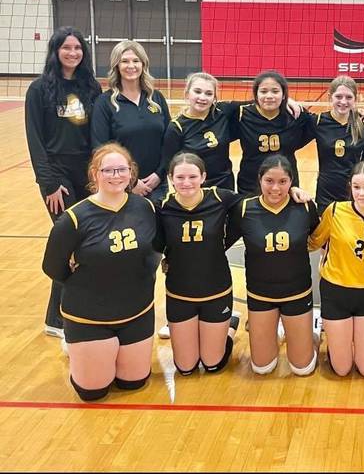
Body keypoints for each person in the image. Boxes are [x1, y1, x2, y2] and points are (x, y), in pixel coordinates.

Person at [42, 143, 159, 401]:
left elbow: (156, 251)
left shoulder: (145, 208)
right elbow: (52, 267)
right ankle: (75, 346)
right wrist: (87, 282)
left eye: (122, 169)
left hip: (136, 312)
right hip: (90, 318)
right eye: (108, 170)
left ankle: (104, 355)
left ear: (132, 173)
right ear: (95, 174)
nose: (116, 176)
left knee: (134, 383)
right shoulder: (74, 218)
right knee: (93, 392)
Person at [25, 26, 102, 338]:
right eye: (67, 48)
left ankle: (82, 308)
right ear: (55, 51)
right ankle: (55, 319)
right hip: (58, 179)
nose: (73, 53)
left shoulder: (90, 87)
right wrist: (49, 183)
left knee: (91, 244)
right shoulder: (39, 89)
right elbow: (35, 140)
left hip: (87, 176)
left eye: (78, 48)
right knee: (68, 242)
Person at [228, 155, 320, 376]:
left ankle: (313, 331)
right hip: (261, 296)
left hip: (297, 293)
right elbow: (219, 243)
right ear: (260, 180)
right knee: (262, 368)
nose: (276, 188)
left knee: (302, 368)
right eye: (269, 181)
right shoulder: (244, 209)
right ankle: (275, 331)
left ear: (291, 182)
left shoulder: (305, 207)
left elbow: (319, 239)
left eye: (283, 181)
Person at [155, 153, 241, 376]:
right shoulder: (161, 207)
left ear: (203, 176)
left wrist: (292, 191)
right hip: (179, 294)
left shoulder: (222, 198)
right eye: (180, 177)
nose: (186, 183)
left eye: (192, 176)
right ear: (170, 178)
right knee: (185, 368)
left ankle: (230, 327)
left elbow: (258, 202)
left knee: (213, 364)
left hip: (216, 290)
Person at [308, 161, 364, 377]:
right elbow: (313, 243)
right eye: (356, 187)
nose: (362, 193)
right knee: (342, 369)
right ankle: (316, 330)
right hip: (335, 292)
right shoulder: (335, 211)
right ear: (350, 187)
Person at [90, 40, 171, 201]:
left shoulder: (156, 98)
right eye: (125, 61)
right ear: (116, 66)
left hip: (156, 185)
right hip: (120, 185)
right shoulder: (104, 102)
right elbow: (100, 148)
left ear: (143, 64)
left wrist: (159, 174)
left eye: (136, 61)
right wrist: (131, 183)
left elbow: (169, 141)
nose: (131, 66)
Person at [231, 71, 314, 195]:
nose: (269, 96)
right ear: (256, 94)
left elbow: (321, 126)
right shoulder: (241, 113)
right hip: (250, 184)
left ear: (284, 94)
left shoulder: (296, 114)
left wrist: (286, 101)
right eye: (263, 91)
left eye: (275, 91)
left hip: (286, 185)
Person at [158, 73, 235, 190]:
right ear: (187, 94)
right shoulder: (177, 127)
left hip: (224, 187)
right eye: (197, 92)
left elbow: (255, 104)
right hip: (194, 188)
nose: (202, 98)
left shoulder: (223, 112)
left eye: (208, 93)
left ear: (214, 98)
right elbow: (170, 165)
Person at [311, 76, 364, 211]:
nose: (343, 101)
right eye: (338, 96)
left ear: (356, 99)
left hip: (354, 190)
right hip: (326, 191)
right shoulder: (318, 121)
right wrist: (288, 101)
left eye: (349, 97)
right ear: (330, 97)